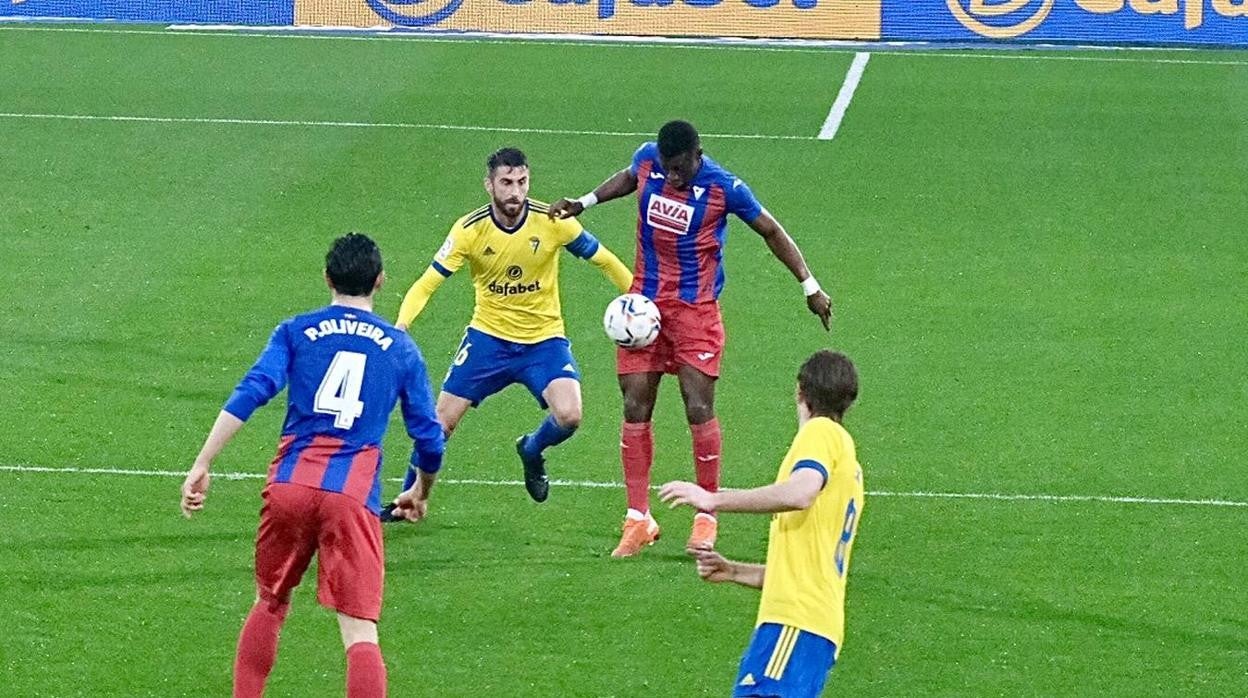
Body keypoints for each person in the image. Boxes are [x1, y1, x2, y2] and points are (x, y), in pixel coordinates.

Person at [549, 120, 835, 557]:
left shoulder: (725, 188)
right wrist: (585, 201)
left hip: (695, 311)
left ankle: (706, 516)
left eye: (680, 168)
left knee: (698, 406)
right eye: (668, 168)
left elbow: (771, 231)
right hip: (642, 306)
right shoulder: (650, 160)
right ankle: (638, 518)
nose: (674, 177)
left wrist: (809, 286)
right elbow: (630, 177)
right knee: (634, 404)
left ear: (697, 154)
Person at [179, 233, 445, 698]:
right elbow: (429, 437)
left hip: (290, 486)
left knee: (269, 603)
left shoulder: (296, 331)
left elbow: (253, 390)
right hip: (352, 494)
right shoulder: (401, 349)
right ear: (380, 281)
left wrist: (204, 461)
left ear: (327, 278)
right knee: (360, 630)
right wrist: (421, 490)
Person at [387, 147, 632, 511]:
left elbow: (606, 261)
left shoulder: (552, 220)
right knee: (438, 426)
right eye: (506, 183)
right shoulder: (469, 230)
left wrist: (640, 299)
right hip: (488, 339)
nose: (515, 192)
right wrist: (401, 327)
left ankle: (532, 449)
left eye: (522, 182)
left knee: (570, 416)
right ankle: (409, 500)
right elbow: (427, 283)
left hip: (543, 342)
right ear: (489, 185)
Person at [659, 350, 863, 698]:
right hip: (813, 626)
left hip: (794, 624)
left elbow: (801, 493)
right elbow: (807, 567)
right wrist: (734, 571)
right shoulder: (848, 461)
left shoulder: (820, 434)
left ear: (799, 390)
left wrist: (712, 499)